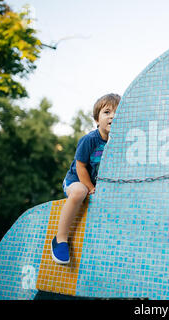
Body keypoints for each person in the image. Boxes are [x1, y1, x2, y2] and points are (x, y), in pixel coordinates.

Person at [51, 93, 121, 264]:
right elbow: (80, 166)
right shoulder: (90, 140)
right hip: (76, 179)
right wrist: (90, 187)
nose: (112, 116)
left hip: (97, 183)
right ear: (97, 120)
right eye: (107, 112)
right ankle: (60, 239)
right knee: (79, 193)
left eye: (118, 112)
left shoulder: (120, 143)